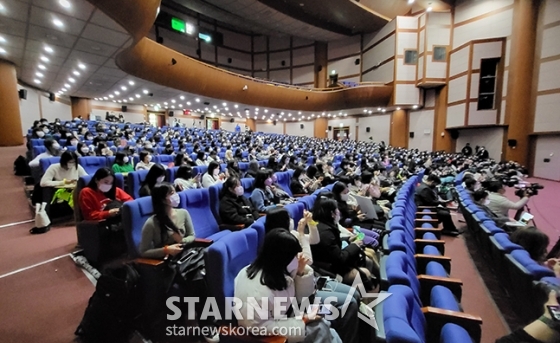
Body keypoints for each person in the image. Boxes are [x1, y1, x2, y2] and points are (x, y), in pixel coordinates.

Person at [234, 229, 341, 343]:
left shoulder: (277, 270)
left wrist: (300, 273)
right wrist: (303, 320)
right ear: (283, 257)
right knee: (322, 328)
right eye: (294, 255)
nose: (298, 258)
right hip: (272, 334)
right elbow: (257, 327)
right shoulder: (258, 292)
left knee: (328, 326)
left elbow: (301, 297)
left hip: (286, 316)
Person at [310, 198, 374, 289]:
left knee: (368, 259)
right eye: (337, 210)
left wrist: (348, 239)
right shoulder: (325, 232)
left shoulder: (322, 224)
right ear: (332, 214)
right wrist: (354, 245)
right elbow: (340, 258)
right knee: (365, 272)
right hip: (328, 269)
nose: (339, 212)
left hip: (330, 262)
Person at [138, 183, 195, 258]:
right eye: (171, 193)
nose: (176, 195)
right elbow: (143, 252)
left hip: (185, 255)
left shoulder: (183, 213)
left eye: (175, 192)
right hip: (166, 261)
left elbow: (192, 235)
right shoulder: (152, 223)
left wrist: (181, 241)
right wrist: (166, 250)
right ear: (162, 200)